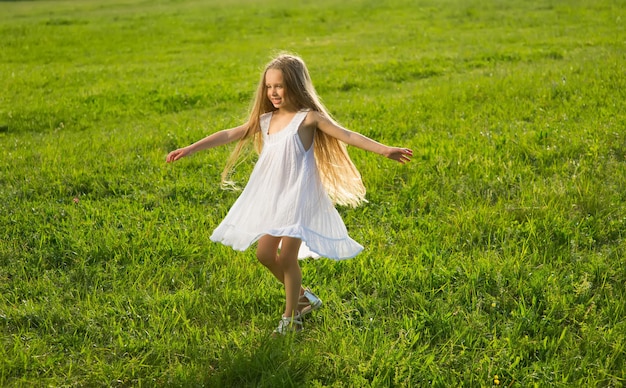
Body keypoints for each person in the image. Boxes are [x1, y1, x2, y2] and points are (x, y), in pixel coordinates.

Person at [166, 53, 412, 335]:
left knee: (286, 258)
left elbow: (347, 135)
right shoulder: (266, 119)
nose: (272, 92)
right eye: (269, 87)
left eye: (279, 86)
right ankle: (304, 298)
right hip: (273, 196)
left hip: (298, 196)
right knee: (264, 254)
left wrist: (385, 150)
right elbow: (230, 133)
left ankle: (291, 317)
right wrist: (190, 148)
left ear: (295, 85)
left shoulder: (309, 119)